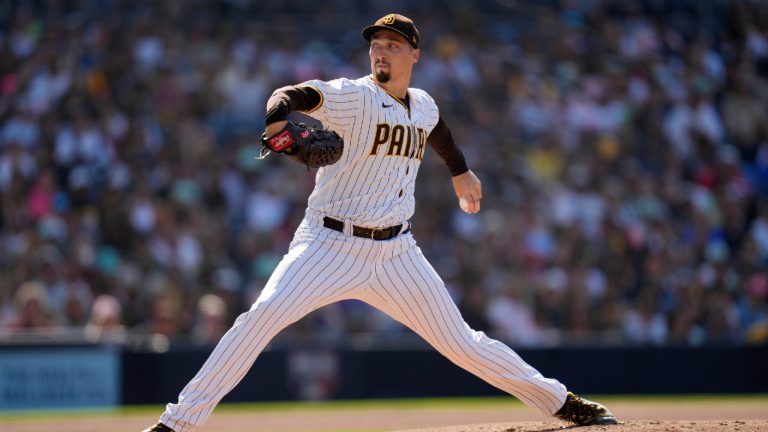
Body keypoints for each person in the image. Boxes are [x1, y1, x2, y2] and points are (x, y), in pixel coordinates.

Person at [144, 14, 617, 432]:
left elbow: (438, 132)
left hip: (396, 254)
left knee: (465, 344)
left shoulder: (424, 104)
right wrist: (275, 122)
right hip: (328, 243)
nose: (381, 51)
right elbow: (289, 95)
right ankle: (177, 423)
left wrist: (460, 172)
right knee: (259, 318)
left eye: (392, 45)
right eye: (376, 44)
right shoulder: (354, 97)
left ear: (415, 54)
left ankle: (560, 402)